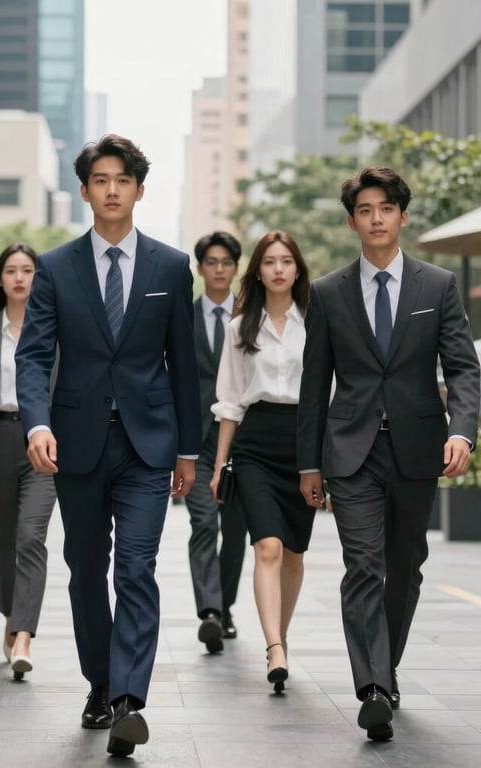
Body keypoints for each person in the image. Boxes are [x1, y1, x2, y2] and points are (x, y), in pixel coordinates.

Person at [15, 134, 201, 758]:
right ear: (86, 189)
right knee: (85, 571)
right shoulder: (55, 266)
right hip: (76, 443)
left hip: (149, 445)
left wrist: (190, 450)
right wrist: (36, 423)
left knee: (137, 567)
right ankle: (100, 679)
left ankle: (128, 699)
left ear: (140, 190)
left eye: (123, 179)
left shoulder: (172, 267)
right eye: (101, 179)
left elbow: (185, 365)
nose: (113, 189)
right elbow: (34, 355)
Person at [297, 166, 480, 742]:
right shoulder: (327, 292)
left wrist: (462, 431)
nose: (376, 219)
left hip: (418, 448)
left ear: (402, 215)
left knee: (405, 568)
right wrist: (309, 463)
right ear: (352, 221)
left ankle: (387, 666)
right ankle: (372, 687)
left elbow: (463, 368)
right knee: (364, 565)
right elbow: (313, 383)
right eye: (365, 210)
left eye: (386, 208)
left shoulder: (436, 285)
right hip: (349, 451)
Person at [209, 230, 313, 695]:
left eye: (285, 261)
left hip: (304, 443)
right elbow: (229, 402)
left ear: (296, 269)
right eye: (268, 262)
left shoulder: (317, 321)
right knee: (267, 546)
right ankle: (274, 646)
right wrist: (219, 465)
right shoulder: (239, 328)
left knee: (293, 553)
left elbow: (330, 393)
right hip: (254, 444)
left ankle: (282, 634)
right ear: (258, 270)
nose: (277, 269)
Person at [0, 242, 57, 679]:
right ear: (0, 279)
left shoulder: (54, 331)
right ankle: (11, 612)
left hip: (41, 443)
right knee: (1, 542)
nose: (20, 278)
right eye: (11, 271)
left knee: (31, 537)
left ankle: (23, 634)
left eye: (28, 270)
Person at [186, 231, 247, 652]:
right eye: (212, 262)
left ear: (236, 268)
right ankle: (209, 610)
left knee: (237, 530)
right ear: (200, 268)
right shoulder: (181, 317)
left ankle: (224, 605)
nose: (220, 269)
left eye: (227, 262)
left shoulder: (253, 316)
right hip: (197, 439)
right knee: (204, 522)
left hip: (244, 440)